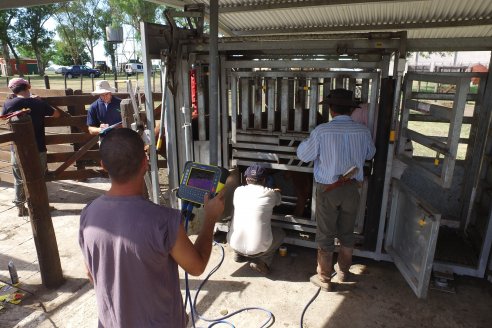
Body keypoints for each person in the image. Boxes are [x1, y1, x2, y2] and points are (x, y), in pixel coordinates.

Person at [79, 128, 225, 328]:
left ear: (103, 165)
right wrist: (210, 218)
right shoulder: (164, 221)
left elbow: (91, 274)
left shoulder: (88, 214)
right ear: (145, 163)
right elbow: (197, 266)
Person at [297, 89, 376, 291]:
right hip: (352, 189)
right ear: (351, 109)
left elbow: (304, 155)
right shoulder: (363, 131)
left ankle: (324, 277)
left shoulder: (322, 131)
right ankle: (343, 272)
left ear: (331, 109)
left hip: (328, 189)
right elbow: (370, 154)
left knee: (325, 232)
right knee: (347, 231)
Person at [2, 78, 63, 216]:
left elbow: (4, 118)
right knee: (39, 178)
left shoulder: (9, 103)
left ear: (13, 90)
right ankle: (40, 206)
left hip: (17, 148)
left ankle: (20, 207)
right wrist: (40, 101)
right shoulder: (37, 103)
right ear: (28, 86)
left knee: (18, 178)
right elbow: (56, 114)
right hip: (38, 147)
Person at [227, 164, 285, 275]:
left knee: (237, 222)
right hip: (257, 249)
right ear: (264, 180)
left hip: (233, 243)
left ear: (246, 179)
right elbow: (279, 200)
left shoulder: (238, 191)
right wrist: (276, 190)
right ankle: (263, 261)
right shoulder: (270, 194)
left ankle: (238, 254)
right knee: (280, 233)